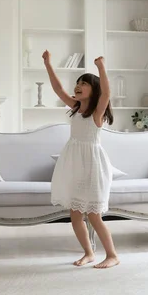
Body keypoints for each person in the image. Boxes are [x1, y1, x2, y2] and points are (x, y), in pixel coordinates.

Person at [43, 50, 120, 269]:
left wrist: (101, 67)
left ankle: (112, 254)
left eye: (84, 83)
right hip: (76, 166)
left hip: (93, 167)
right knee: (75, 215)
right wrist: (48, 64)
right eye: (77, 83)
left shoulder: (96, 114)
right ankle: (89, 252)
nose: (78, 86)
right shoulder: (76, 109)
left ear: (93, 90)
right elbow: (58, 89)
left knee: (94, 216)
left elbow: (106, 93)